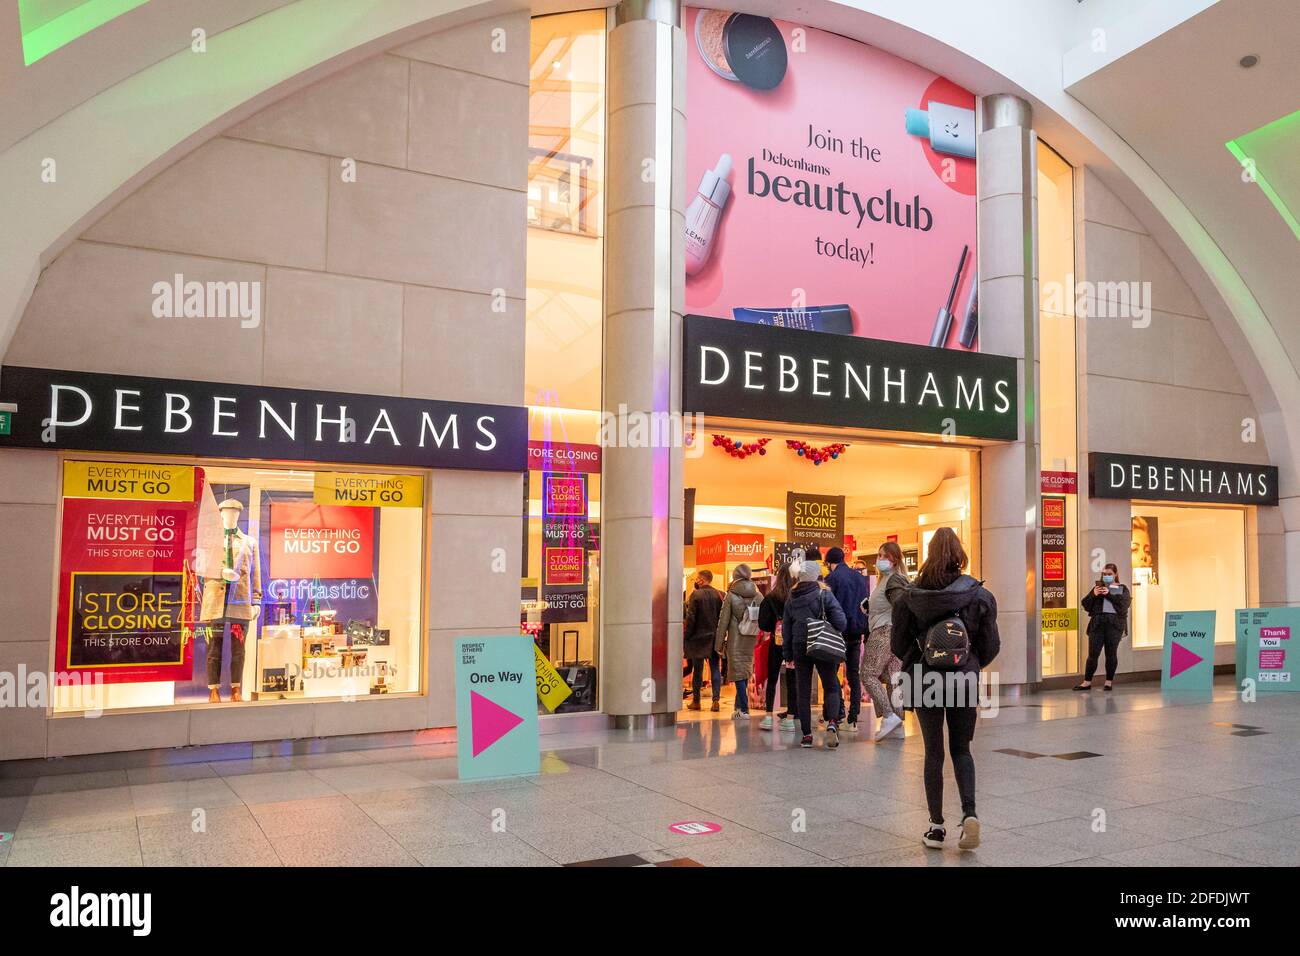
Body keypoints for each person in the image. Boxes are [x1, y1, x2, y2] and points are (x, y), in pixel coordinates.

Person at [891, 527, 999, 851]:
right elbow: (991, 645)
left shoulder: (909, 597)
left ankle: (936, 828)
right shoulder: (978, 595)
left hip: (925, 681)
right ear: (960, 554)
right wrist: (970, 663)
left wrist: (920, 659)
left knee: (933, 753)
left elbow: (897, 645)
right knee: (962, 750)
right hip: (963, 681)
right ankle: (969, 814)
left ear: (929, 555)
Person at [783, 559, 848, 749]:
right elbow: (841, 622)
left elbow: (787, 627)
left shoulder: (791, 597)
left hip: (799, 645)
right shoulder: (824, 594)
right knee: (830, 686)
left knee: (803, 691)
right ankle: (832, 724)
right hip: (821, 643)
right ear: (816, 575)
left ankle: (807, 735)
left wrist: (787, 653)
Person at [862, 541, 910, 741]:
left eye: (883, 556)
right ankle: (898, 726)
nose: (879, 560)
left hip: (884, 632)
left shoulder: (893, 580)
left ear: (894, 559)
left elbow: (900, 606)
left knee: (867, 674)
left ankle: (889, 716)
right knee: (893, 678)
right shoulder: (888, 579)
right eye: (879, 555)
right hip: (892, 632)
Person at [825, 546, 869, 732]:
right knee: (853, 674)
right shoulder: (860, 578)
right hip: (856, 631)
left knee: (831, 672)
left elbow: (828, 606)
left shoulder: (832, 579)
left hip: (837, 632)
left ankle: (838, 711)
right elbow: (866, 604)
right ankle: (853, 718)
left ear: (829, 562)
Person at [1076, 563, 1131, 691]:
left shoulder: (1122, 588)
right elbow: (1085, 605)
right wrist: (1093, 595)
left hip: (1115, 625)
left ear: (1115, 574)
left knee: (1111, 654)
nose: (1106, 576)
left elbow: (1124, 606)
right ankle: (1087, 682)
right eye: (1104, 574)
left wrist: (1109, 594)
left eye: (1109, 574)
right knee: (1093, 654)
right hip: (1098, 623)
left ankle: (1108, 682)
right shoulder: (1097, 588)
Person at [717, 564, 761, 719]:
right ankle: (737, 709)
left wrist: (718, 643)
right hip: (751, 638)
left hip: (736, 639)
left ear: (735, 576)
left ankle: (744, 709)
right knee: (745, 671)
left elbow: (723, 622)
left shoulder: (731, 596)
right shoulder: (758, 595)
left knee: (737, 674)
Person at [758, 567, 797, 732]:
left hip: (776, 643)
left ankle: (768, 716)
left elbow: (763, 624)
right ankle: (790, 719)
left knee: (772, 678)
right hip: (794, 644)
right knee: (792, 680)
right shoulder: (797, 597)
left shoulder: (770, 598)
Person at [684, 569, 724, 711]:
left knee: (698, 670)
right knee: (715, 668)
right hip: (714, 637)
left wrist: (686, 636)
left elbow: (691, 618)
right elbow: (723, 618)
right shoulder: (720, 595)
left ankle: (696, 701)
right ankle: (716, 700)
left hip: (697, 638)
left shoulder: (696, 595)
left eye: (697, 578)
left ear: (701, 579)